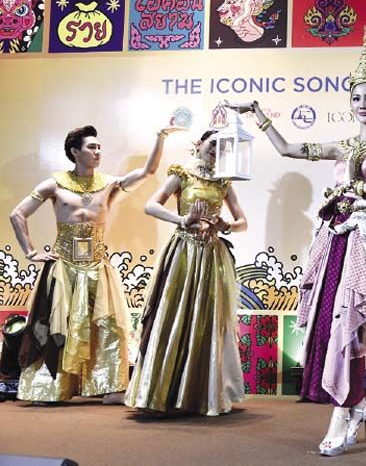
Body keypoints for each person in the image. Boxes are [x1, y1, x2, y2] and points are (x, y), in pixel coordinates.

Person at [226, 33, 366, 455]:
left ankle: (343, 412)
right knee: (329, 320)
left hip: (364, 233)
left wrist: (358, 187)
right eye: (356, 98)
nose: (362, 104)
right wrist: (259, 114)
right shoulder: (341, 145)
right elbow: (288, 149)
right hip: (334, 234)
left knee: (350, 321)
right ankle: (356, 404)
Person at [10, 124, 181, 403]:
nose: (98, 152)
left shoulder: (109, 183)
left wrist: (160, 136)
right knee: (57, 326)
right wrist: (30, 252)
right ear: (75, 152)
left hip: (98, 266)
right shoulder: (54, 184)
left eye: (100, 147)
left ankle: (109, 387)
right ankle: (50, 388)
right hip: (64, 267)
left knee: (107, 325)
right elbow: (17, 214)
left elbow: (147, 172)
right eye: (92, 147)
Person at [125, 130, 247, 416]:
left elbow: (242, 222)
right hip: (183, 252)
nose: (216, 149)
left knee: (208, 320)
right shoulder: (182, 173)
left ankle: (199, 395)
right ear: (199, 144)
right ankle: (161, 393)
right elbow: (151, 205)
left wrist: (225, 226)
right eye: (212, 143)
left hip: (212, 255)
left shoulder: (224, 181)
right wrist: (182, 219)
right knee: (173, 314)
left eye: (222, 146)